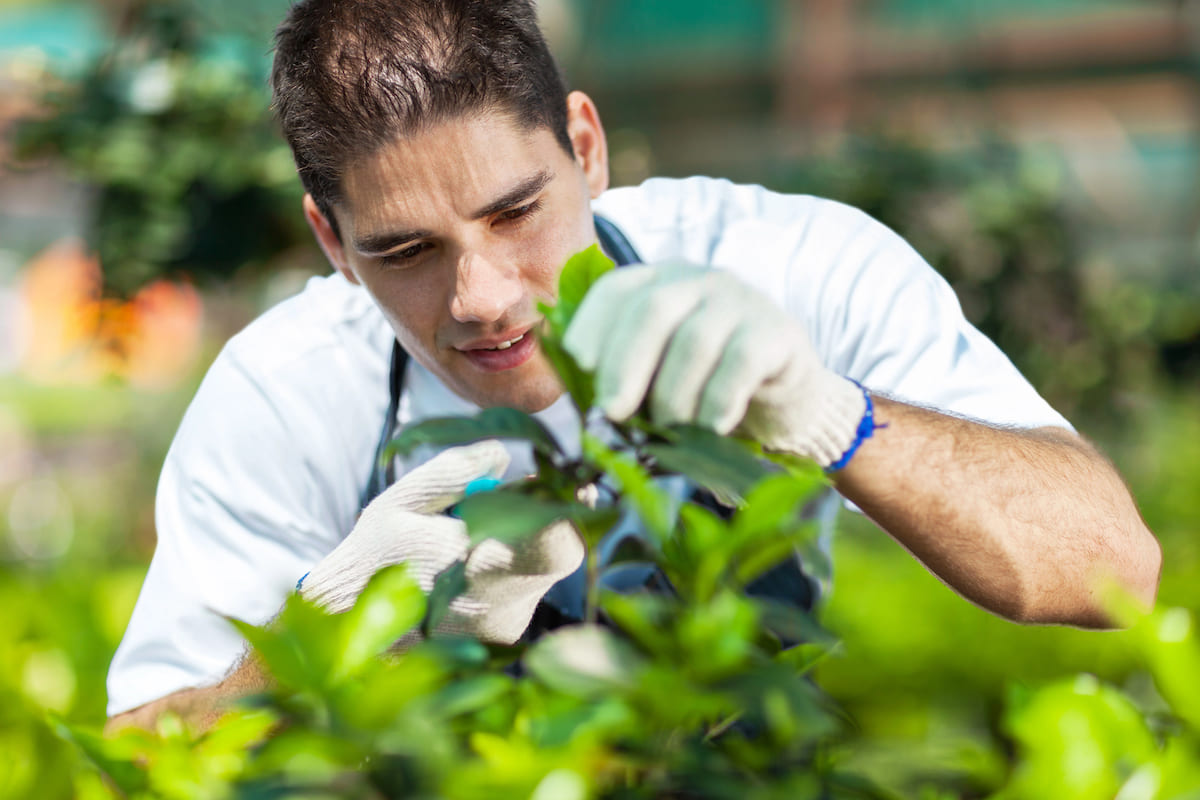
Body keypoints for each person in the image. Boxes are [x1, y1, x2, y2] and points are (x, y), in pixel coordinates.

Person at [105, 0, 1161, 732]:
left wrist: (832, 416)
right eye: (404, 251)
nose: (482, 296)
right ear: (332, 244)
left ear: (586, 144)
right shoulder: (284, 393)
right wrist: (318, 642)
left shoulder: (792, 262)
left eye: (516, 212)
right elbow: (133, 759)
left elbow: (1115, 568)